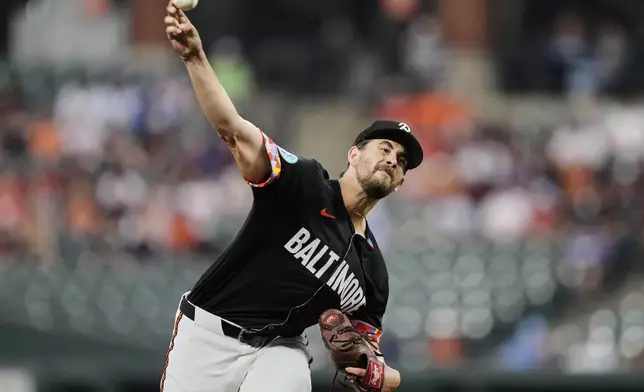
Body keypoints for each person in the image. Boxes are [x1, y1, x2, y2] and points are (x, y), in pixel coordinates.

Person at [160, 2, 424, 392]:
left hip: (280, 349)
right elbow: (234, 131)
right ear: (354, 153)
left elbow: (376, 364)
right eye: (384, 147)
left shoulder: (374, 273)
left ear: (400, 182)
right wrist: (196, 57)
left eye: (401, 161)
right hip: (208, 336)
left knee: (289, 365)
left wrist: (382, 374)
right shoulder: (303, 183)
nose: (392, 159)